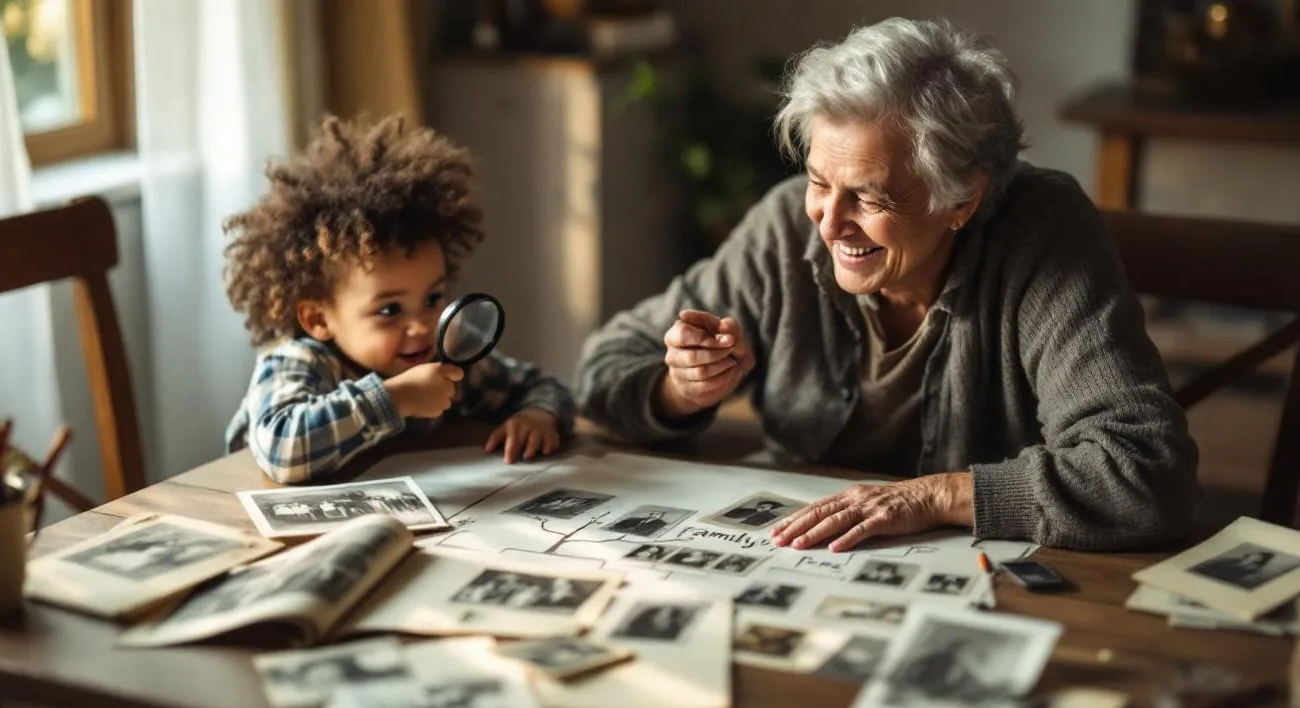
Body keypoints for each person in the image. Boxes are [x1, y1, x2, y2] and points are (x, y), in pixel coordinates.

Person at [575, 18, 1198, 553]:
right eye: (820, 181)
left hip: (989, 577)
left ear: (962, 199)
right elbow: (603, 368)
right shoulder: (784, 224)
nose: (829, 220)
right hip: (804, 560)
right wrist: (679, 390)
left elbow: (1147, 474)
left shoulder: (1043, 236)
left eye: (869, 197)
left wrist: (937, 495)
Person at [224, 114, 574, 483]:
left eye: (433, 297)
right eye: (389, 310)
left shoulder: (448, 359)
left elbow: (546, 386)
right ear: (318, 320)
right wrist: (395, 399)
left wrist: (538, 416)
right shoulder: (299, 364)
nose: (422, 326)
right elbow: (283, 450)